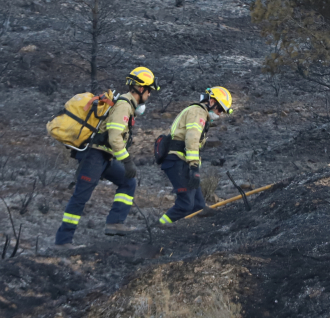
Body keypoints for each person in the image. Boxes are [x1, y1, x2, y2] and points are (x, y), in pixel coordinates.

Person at [54, 67, 160, 248]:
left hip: (104, 157)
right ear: (141, 88)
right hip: (94, 156)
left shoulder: (127, 106)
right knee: (80, 197)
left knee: (128, 182)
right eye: (149, 91)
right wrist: (127, 161)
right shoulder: (124, 106)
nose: (149, 95)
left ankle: (115, 223)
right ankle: (63, 241)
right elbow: (114, 136)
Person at [159, 86, 233, 225]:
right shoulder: (198, 112)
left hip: (182, 161)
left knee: (198, 206)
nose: (220, 113)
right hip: (176, 161)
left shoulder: (199, 113)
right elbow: (192, 138)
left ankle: (200, 231)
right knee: (186, 204)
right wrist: (194, 166)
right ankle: (158, 227)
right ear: (211, 101)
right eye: (220, 109)